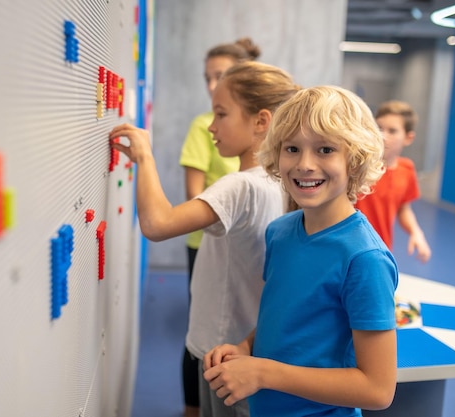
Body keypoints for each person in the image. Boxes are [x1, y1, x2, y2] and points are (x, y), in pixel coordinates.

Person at [109, 61, 300, 417]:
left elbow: (157, 223)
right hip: (253, 343)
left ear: (261, 121)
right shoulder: (283, 182)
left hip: (223, 350)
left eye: (221, 114)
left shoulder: (240, 185)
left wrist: (144, 156)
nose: (211, 127)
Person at [203, 86, 399, 416]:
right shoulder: (280, 232)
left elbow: (378, 389)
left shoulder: (364, 259)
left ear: (354, 160)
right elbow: (281, 318)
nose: (305, 164)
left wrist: (262, 372)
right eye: (292, 148)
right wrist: (246, 347)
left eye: (325, 150)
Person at [178, 37, 261, 417]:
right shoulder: (205, 129)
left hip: (238, 239)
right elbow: (192, 201)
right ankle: (192, 408)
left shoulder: (253, 179)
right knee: (203, 333)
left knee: (235, 327)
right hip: (205, 235)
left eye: (222, 76)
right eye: (208, 77)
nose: (213, 84)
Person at [355, 100, 432, 263]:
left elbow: (403, 207)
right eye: (379, 128)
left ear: (408, 138)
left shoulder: (407, 169)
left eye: (392, 131)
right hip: (349, 247)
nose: (383, 135)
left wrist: (416, 232)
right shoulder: (357, 163)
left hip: (379, 251)